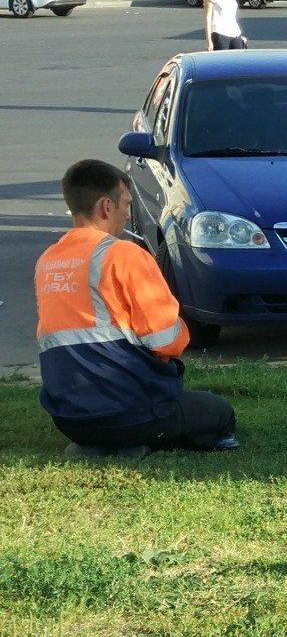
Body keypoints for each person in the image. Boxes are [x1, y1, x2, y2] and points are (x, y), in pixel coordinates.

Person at [35, 160, 237, 457]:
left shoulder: (47, 263)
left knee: (119, 416)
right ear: (106, 207)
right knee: (219, 413)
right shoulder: (124, 255)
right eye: (126, 205)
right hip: (132, 411)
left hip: (69, 418)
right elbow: (168, 341)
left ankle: (100, 444)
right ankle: (136, 441)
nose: (128, 214)